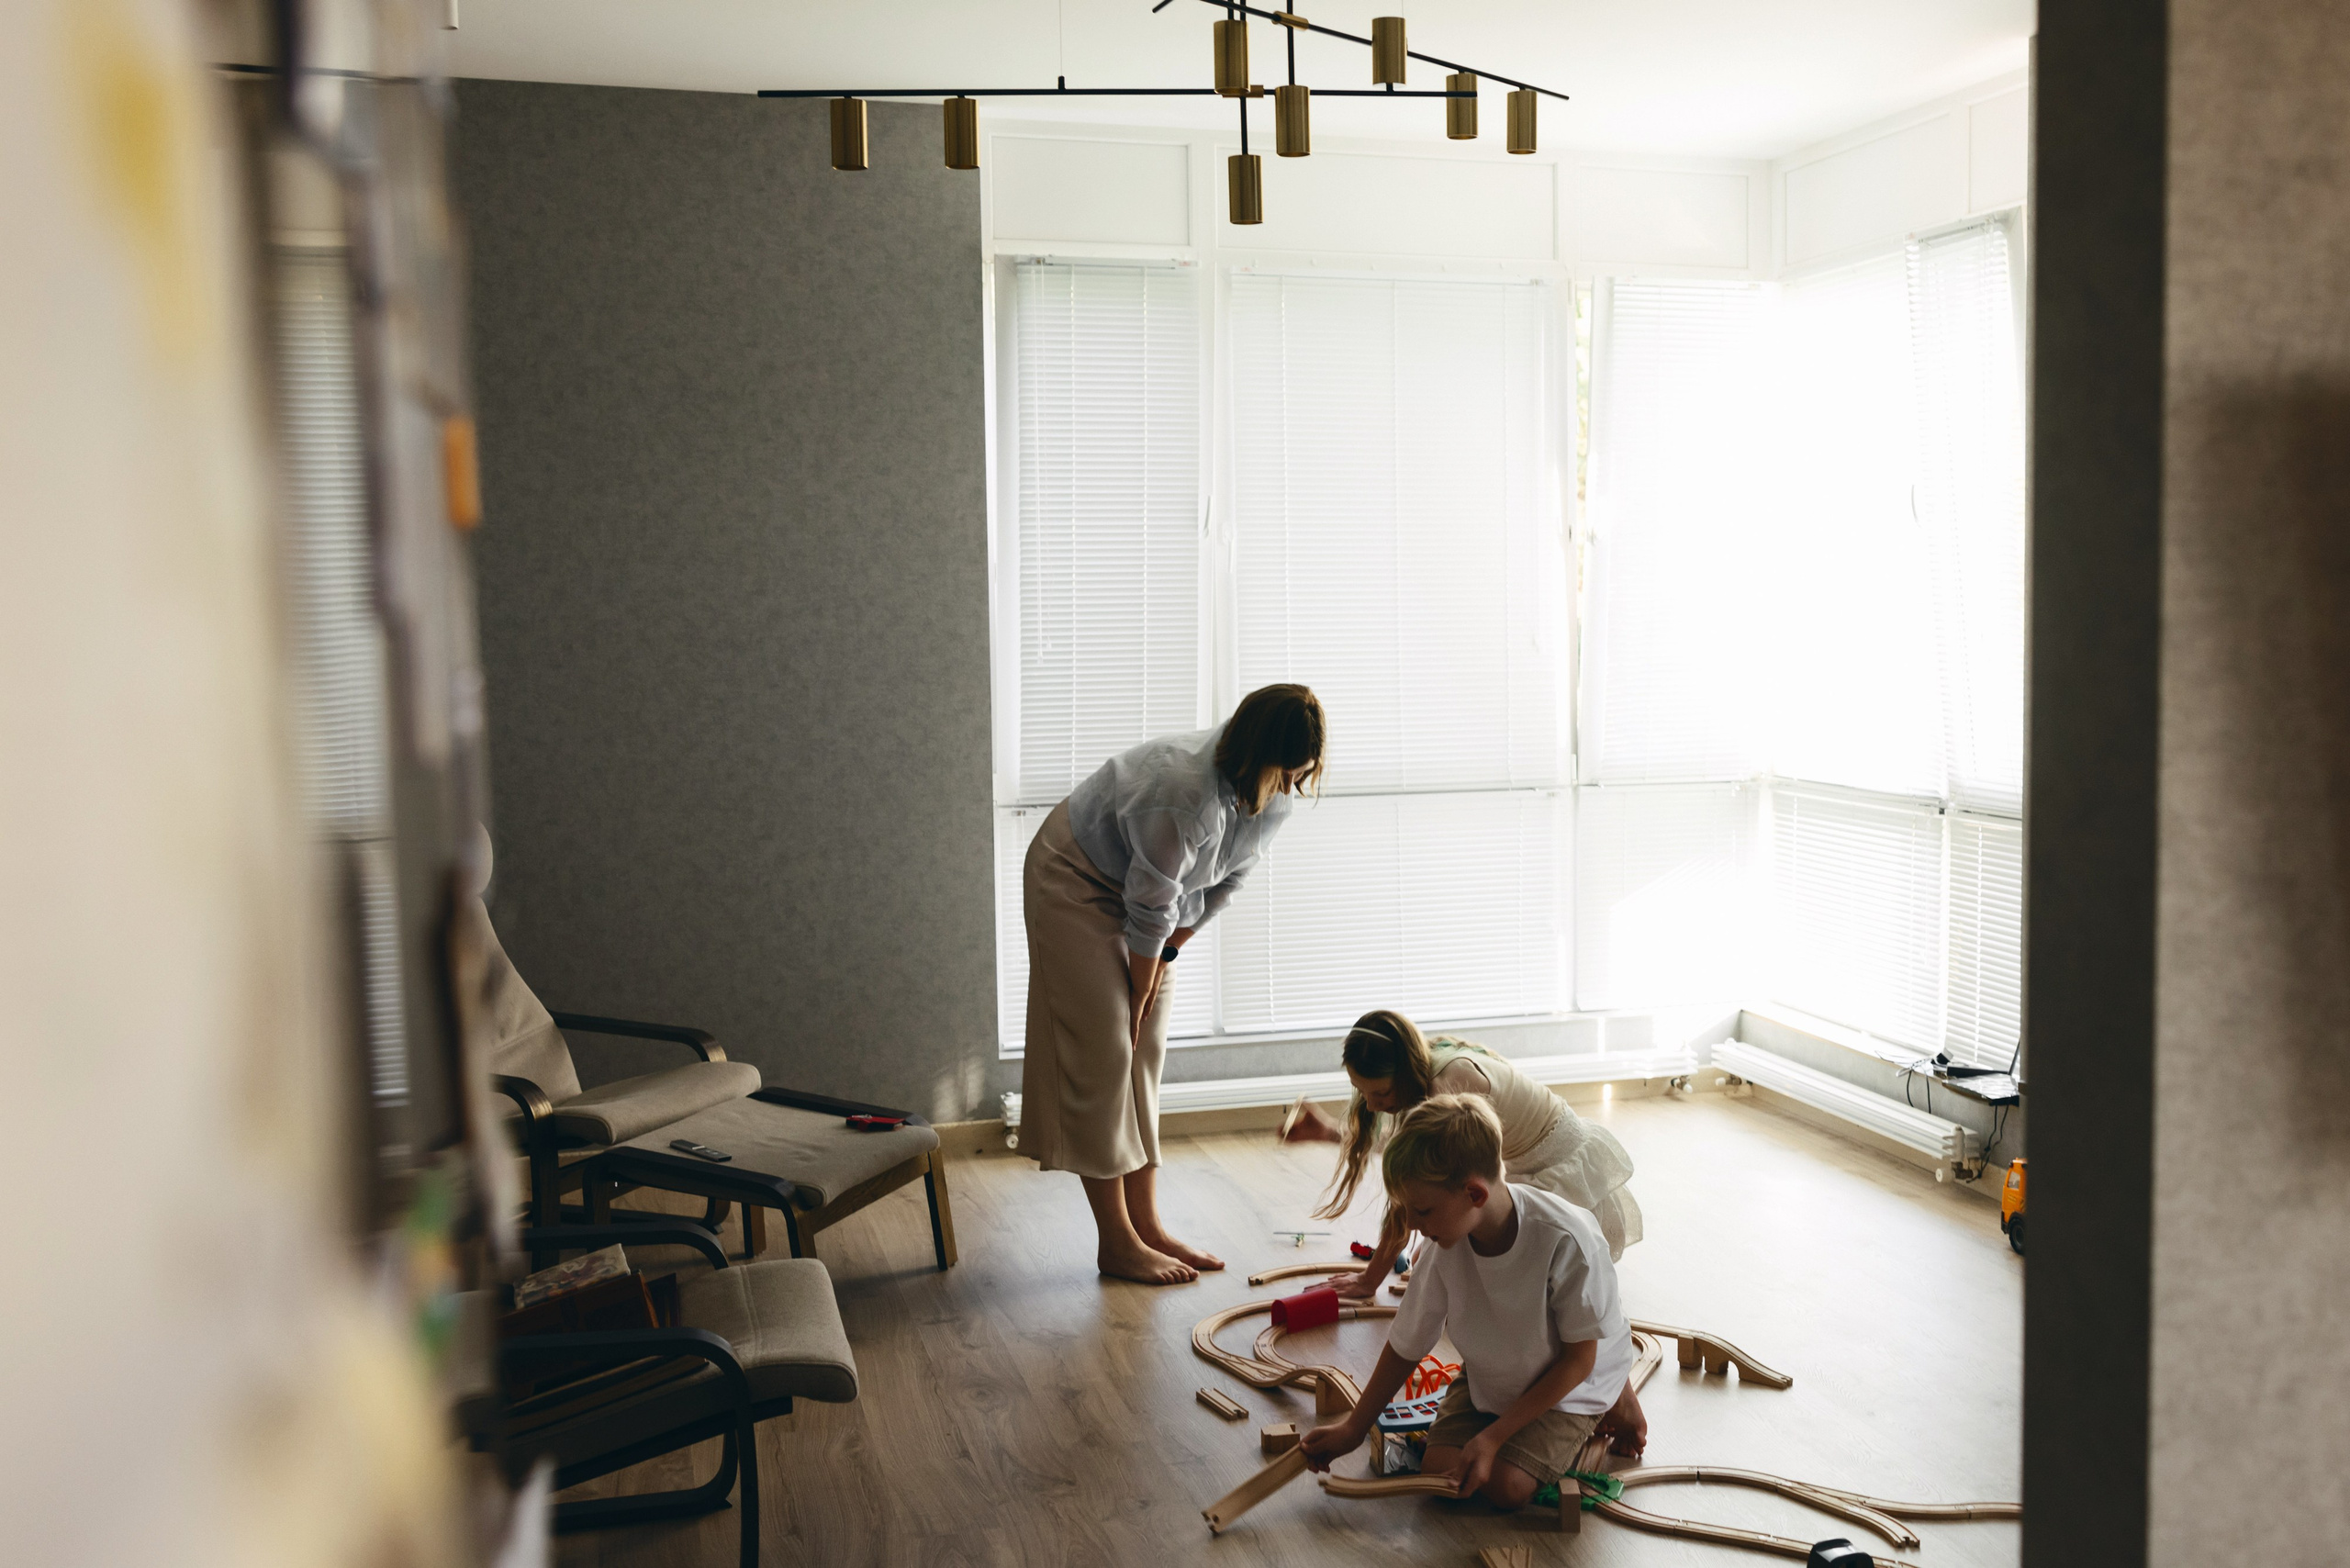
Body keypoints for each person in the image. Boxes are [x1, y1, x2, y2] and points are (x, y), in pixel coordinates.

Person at [1021, 685, 1327, 1285]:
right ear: (1255, 752)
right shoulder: (1184, 792)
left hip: (1147, 902)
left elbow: (1220, 888)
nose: (1294, 786)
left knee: (1146, 1052)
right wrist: (1137, 994)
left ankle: (1148, 1224)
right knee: (1107, 1050)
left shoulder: (1276, 794)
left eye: (1304, 774)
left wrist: (1162, 964)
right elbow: (1150, 905)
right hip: (1075, 878)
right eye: (1286, 773)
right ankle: (1117, 1243)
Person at [1298, 1095, 1647, 1507]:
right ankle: (1563, 1408)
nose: (1410, 1225)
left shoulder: (1565, 1239)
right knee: (1444, 1475)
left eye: (1421, 1211)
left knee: (1505, 1488)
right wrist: (1354, 1428)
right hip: (1499, 1367)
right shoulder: (1444, 1242)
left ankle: (1612, 1395)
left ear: (1475, 1194)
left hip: (1572, 1382)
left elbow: (1577, 1361)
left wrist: (1492, 1437)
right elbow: (1406, 1342)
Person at [1287, 1010, 1642, 1299]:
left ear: (1405, 1072)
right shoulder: (1422, 1072)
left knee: (1464, 1250)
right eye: (1361, 1092)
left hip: (1556, 1162)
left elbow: (1408, 1198)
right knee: (1446, 1258)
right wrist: (1331, 1131)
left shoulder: (1448, 1085)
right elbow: (1401, 1142)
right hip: (1520, 1165)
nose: (1371, 1104)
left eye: (1379, 1092)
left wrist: (1370, 1280)